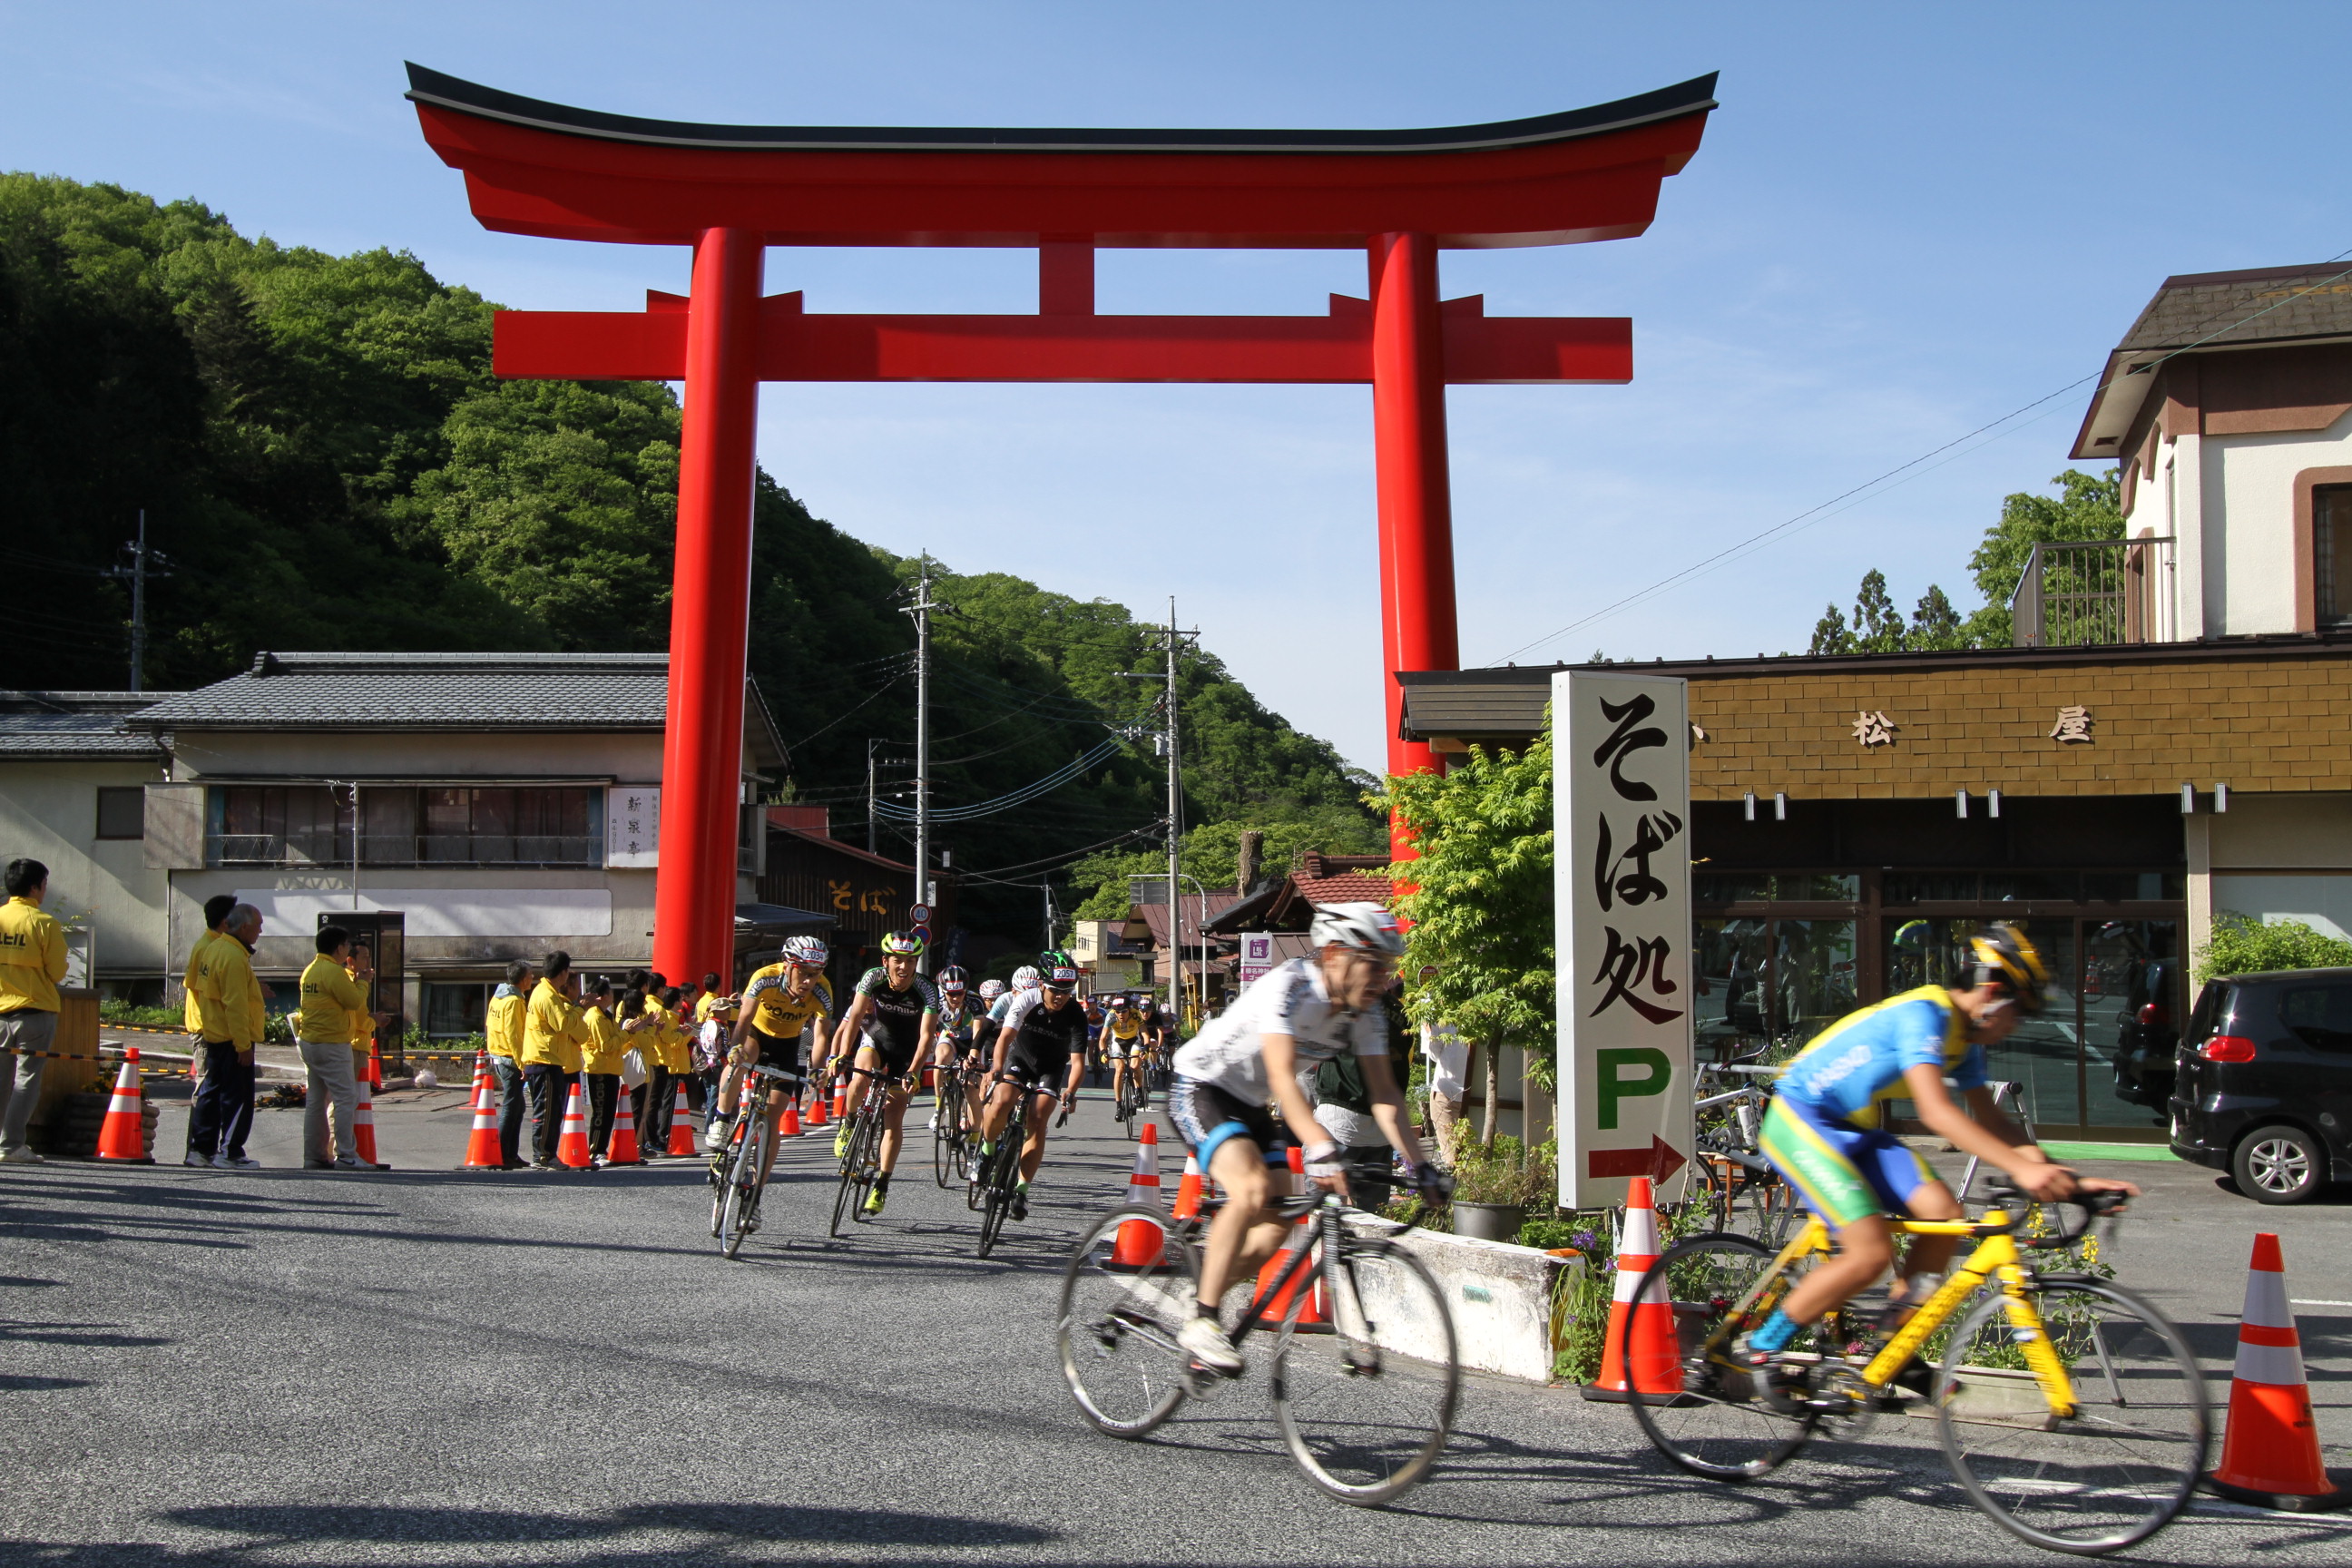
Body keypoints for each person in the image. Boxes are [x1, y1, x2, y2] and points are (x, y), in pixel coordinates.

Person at [1740, 924, 2137, 1374]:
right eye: (2019, 1011)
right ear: (1993, 993)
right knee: (1869, 1255)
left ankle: (1891, 1348)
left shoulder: (1965, 1041)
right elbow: (1936, 1111)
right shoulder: (1925, 1014)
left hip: (1856, 1131)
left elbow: (1995, 1123)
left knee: (1943, 1215)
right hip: (1801, 1120)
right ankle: (1762, 1345)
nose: (2017, 1025)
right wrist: (2023, 1171)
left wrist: (2071, 1181)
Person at [1166, 903, 1440, 1374]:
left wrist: (1421, 1166)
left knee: (1273, 1231)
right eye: (1371, 963)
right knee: (1250, 1190)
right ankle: (1205, 1320)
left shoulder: (1366, 1014)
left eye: (1386, 967)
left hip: (1250, 1104)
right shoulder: (1289, 986)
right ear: (1334, 953)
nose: (1380, 977)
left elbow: (1386, 1095)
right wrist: (1321, 1145)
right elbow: (1281, 1075)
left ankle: (1197, 1294)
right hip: (1202, 1086)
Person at [973, 951, 1091, 1222]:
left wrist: (1071, 1091)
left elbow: (1078, 1061)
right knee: (1002, 1099)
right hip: (1020, 1059)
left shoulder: (1075, 1013)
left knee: (1038, 1118)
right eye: (1054, 990)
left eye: (1067, 990)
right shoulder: (1027, 999)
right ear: (1041, 985)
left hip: (1051, 1068)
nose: (1060, 996)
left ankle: (1022, 1191)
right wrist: (996, 1069)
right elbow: (1004, 1038)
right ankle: (988, 1150)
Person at [828, 931, 938, 1218]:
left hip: (907, 1051)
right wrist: (841, 1053)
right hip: (876, 1038)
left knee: (894, 1116)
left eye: (910, 961)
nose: (904, 967)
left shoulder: (927, 989)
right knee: (860, 1075)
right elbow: (853, 1019)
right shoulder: (872, 977)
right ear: (886, 961)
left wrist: (914, 1072)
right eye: (898, 961)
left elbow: (926, 1037)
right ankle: (849, 1123)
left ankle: (882, 1184)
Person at [715, 936, 834, 1191]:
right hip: (757, 1034)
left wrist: (818, 1070)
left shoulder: (822, 991)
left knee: (772, 1120)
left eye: (815, 974)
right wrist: (734, 1047)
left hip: (787, 1046)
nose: (808, 981)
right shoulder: (764, 977)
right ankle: (722, 1119)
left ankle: (757, 1192)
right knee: (743, 1056)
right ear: (787, 965)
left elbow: (822, 1035)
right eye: (802, 972)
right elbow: (744, 1017)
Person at [0, 858, 70, 1163]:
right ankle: (11, 1144)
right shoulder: (44, 923)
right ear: (35, 886)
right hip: (35, 1011)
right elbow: (57, 972)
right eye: (44, 884)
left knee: (1, 1081)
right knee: (26, 1080)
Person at [186, 903, 266, 1169]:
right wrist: (243, 1045)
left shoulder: (213, 949)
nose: (260, 931)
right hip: (234, 1039)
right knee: (237, 1097)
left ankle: (201, 1149)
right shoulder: (233, 957)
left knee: (210, 1093)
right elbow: (235, 1005)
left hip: (214, 1035)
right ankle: (230, 1151)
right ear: (244, 927)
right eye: (258, 926)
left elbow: (207, 994)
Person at [296, 925, 374, 1170]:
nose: (347, 951)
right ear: (339, 948)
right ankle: (347, 1155)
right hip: (332, 1043)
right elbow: (352, 1001)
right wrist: (363, 983)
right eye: (346, 946)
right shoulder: (334, 972)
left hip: (310, 1041)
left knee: (316, 1101)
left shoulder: (310, 970)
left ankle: (314, 1155)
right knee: (345, 1098)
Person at [521, 951, 586, 1169]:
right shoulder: (547, 995)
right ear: (563, 972)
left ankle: (546, 1153)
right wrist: (579, 1011)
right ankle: (543, 1155)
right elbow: (562, 1024)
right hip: (544, 1059)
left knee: (551, 1110)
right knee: (547, 1110)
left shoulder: (545, 991)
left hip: (546, 1058)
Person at [180, 894, 239, 1092]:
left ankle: (204, 1123)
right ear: (225, 922)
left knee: (212, 1086)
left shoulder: (211, 944)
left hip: (208, 1026)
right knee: (207, 1086)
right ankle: (199, 1124)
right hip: (206, 1027)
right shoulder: (209, 947)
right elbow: (200, 988)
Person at [485, 961, 534, 1169]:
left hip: (499, 1054)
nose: (533, 978)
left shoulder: (498, 997)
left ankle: (511, 1153)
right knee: (511, 1105)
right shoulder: (514, 1001)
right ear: (523, 979)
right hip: (509, 1058)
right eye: (531, 975)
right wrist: (522, 1063)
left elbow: (489, 1025)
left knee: (517, 1105)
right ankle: (504, 1153)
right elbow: (514, 1035)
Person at [578, 978, 626, 1163]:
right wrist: (624, 1033)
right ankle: (595, 1149)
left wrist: (620, 1034)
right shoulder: (595, 1016)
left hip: (611, 1068)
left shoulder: (606, 1015)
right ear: (603, 996)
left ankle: (601, 1149)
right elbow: (605, 1045)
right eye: (611, 993)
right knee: (600, 1111)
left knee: (608, 1111)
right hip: (599, 1068)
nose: (613, 997)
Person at [642, 984, 691, 1155]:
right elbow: (673, 1041)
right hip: (671, 1064)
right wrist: (687, 1034)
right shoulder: (667, 1016)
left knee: (662, 1103)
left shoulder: (672, 1017)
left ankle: (660, 1136)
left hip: (670, 1063)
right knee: (665, 1104)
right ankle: (661, 1136)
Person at [1103, 992, 1149, 1121]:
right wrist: (1102, 1052)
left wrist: (1145, 1049)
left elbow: (1145, 1034)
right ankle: (1119, 1106)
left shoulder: (1136, 1014)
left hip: (1134, 1040)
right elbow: (1103, 1038)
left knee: (1135, 1066)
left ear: (1129, 1009)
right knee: (1119, 1069)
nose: (1121, 1015)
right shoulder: (1111, 1016)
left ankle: (1139, 1091)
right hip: (1118, 1042)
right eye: (1118, 1012)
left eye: (1124, 1011)